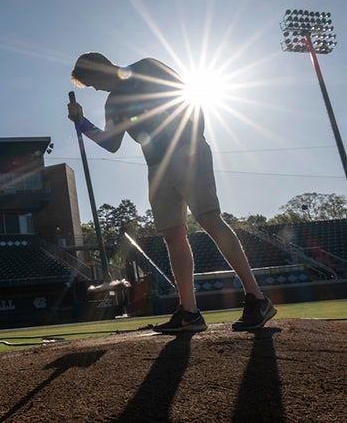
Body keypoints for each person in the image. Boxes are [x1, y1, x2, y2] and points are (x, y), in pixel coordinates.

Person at [67, 52, 276, 333]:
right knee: (173, 234)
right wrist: (81, 122)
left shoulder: (145, 67)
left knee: (209, 219)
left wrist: (193, 136)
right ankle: (189, 312)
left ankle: (257, 298)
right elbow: (111, 143)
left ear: (100, 66)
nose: (96, 88)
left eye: (93, 82)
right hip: (156, 166)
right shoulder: (113, 103)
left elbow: (189, 93)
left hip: (186, 150)